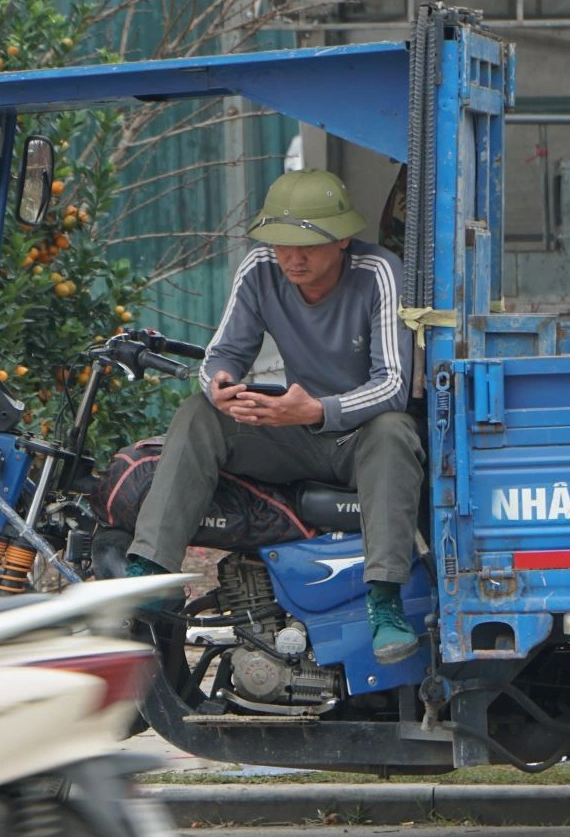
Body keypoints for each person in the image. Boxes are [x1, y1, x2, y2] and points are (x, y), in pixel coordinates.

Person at [124, 170, 424, 662]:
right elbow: (222, 355)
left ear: (342, 239)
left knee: (395, 432)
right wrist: (220, 386)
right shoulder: (260, 267)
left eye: (307, 246)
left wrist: (317, 410)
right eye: (281, 243)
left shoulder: (379, 272)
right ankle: (152, 572)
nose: (292, 258)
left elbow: (392, 384)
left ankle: (385, 603)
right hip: (294, 430)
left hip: (360, 438)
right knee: (200, 413)